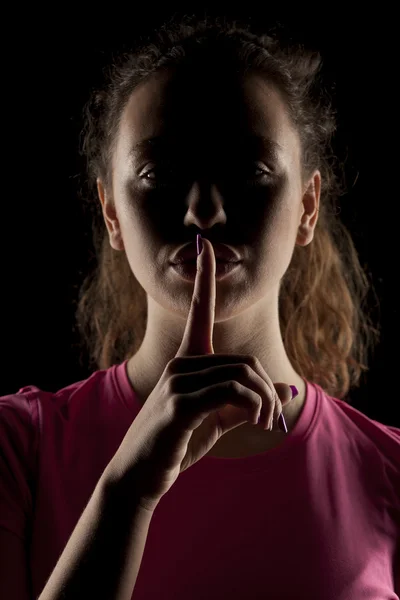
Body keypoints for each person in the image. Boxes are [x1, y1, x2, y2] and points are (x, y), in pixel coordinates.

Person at [1, 13, 399, 600]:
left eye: (251, 171)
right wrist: (127, 489)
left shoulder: (391, 474)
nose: (204, 212)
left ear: (308, 207)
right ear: (111, 212)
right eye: (159, 173)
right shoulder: (19, 447)